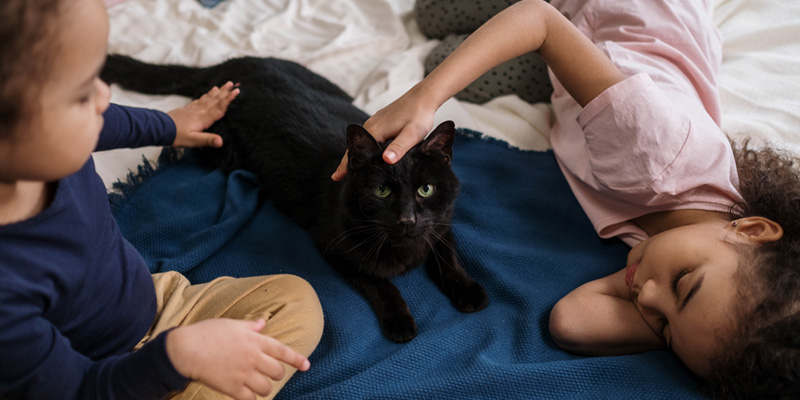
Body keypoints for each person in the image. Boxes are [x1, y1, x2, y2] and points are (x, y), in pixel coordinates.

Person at [331, 0, 800, 397]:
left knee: (448, 51)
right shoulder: (655, 149)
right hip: (593, 11)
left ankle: (566, 64)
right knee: (434, 20)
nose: (644, 293)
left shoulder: (695, 244)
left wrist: (681, 323)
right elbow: (537, 18)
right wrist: (424, 99)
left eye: (663, 326)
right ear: (753, 230)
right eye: (682, 283)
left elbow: (572, 322)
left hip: (607, 68)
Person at [0, 0, 324, 399]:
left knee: (297, 301)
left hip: (157, 301)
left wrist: (170, 125)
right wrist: (176, 359)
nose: (104, 96)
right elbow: (80, 389)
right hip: (97, 375)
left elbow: (105, 123)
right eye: (83, 93)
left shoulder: (46, 147)